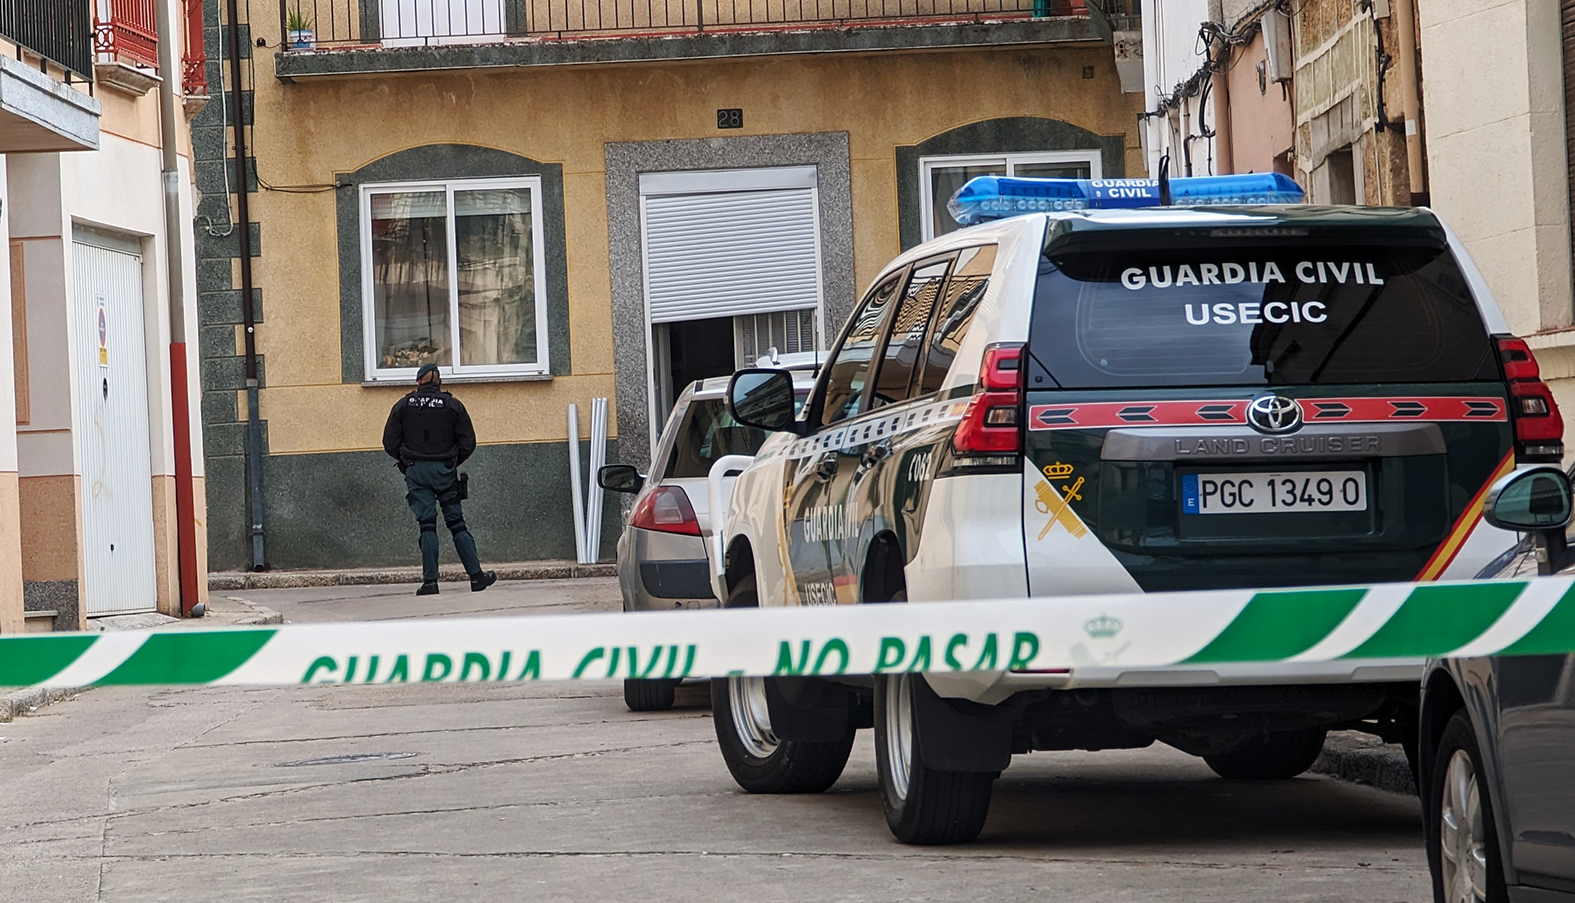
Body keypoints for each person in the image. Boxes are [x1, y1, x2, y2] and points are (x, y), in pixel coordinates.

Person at [382, 364, 497, 596]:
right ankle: (476, 577)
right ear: (440, 383)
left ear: (418, 382)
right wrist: (452, 462)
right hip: (445, 471)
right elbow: (468, 442)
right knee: (456, 523)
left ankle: (430, 583)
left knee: (427, 525)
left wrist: (406, 463)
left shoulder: (404, 405)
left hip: (416, 470)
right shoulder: (453, 405)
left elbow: (389, 442)